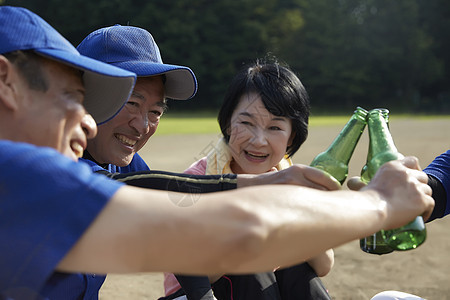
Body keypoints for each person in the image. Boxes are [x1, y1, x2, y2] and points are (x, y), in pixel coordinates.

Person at [0, 6, 434, 300]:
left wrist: (266, 182)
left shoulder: (110, 168)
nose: (88, 120)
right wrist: (380, 203)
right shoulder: (19, 178)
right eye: (71, 100)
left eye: (155, 110)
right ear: (7, 83)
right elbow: (223, 232)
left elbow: (152, 190)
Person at [164, 60, 334, 300]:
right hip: (194, 294)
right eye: (246, 123)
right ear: (228, 124)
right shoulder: (196, 180)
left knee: (297, 267)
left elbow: (324, 265)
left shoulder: (292, 181)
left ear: (291, 136)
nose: (259, 140)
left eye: (275, 127)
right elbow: (194, 273)